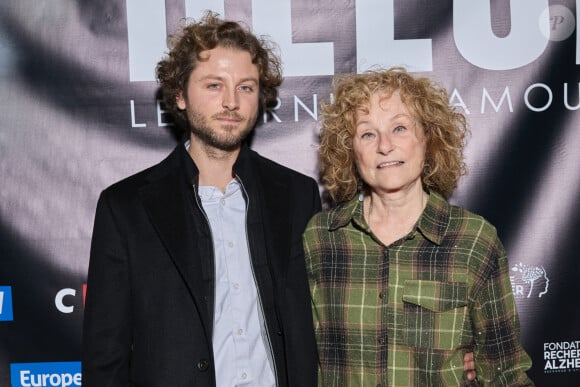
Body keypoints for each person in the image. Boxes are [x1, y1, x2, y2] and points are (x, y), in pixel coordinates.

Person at [81, 11, 321, 387]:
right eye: (213, 85)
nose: (231, 102)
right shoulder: (126, 208)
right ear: (179, 94)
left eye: (246, 87)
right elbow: (104, 358)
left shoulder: (297, 195)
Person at [303, 67, 534, 386]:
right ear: (350, 151)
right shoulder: (319, 239)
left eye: (399, 128)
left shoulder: (472, 240)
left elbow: (506, 372)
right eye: (367, 133)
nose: (385, 146)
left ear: (428, 139)